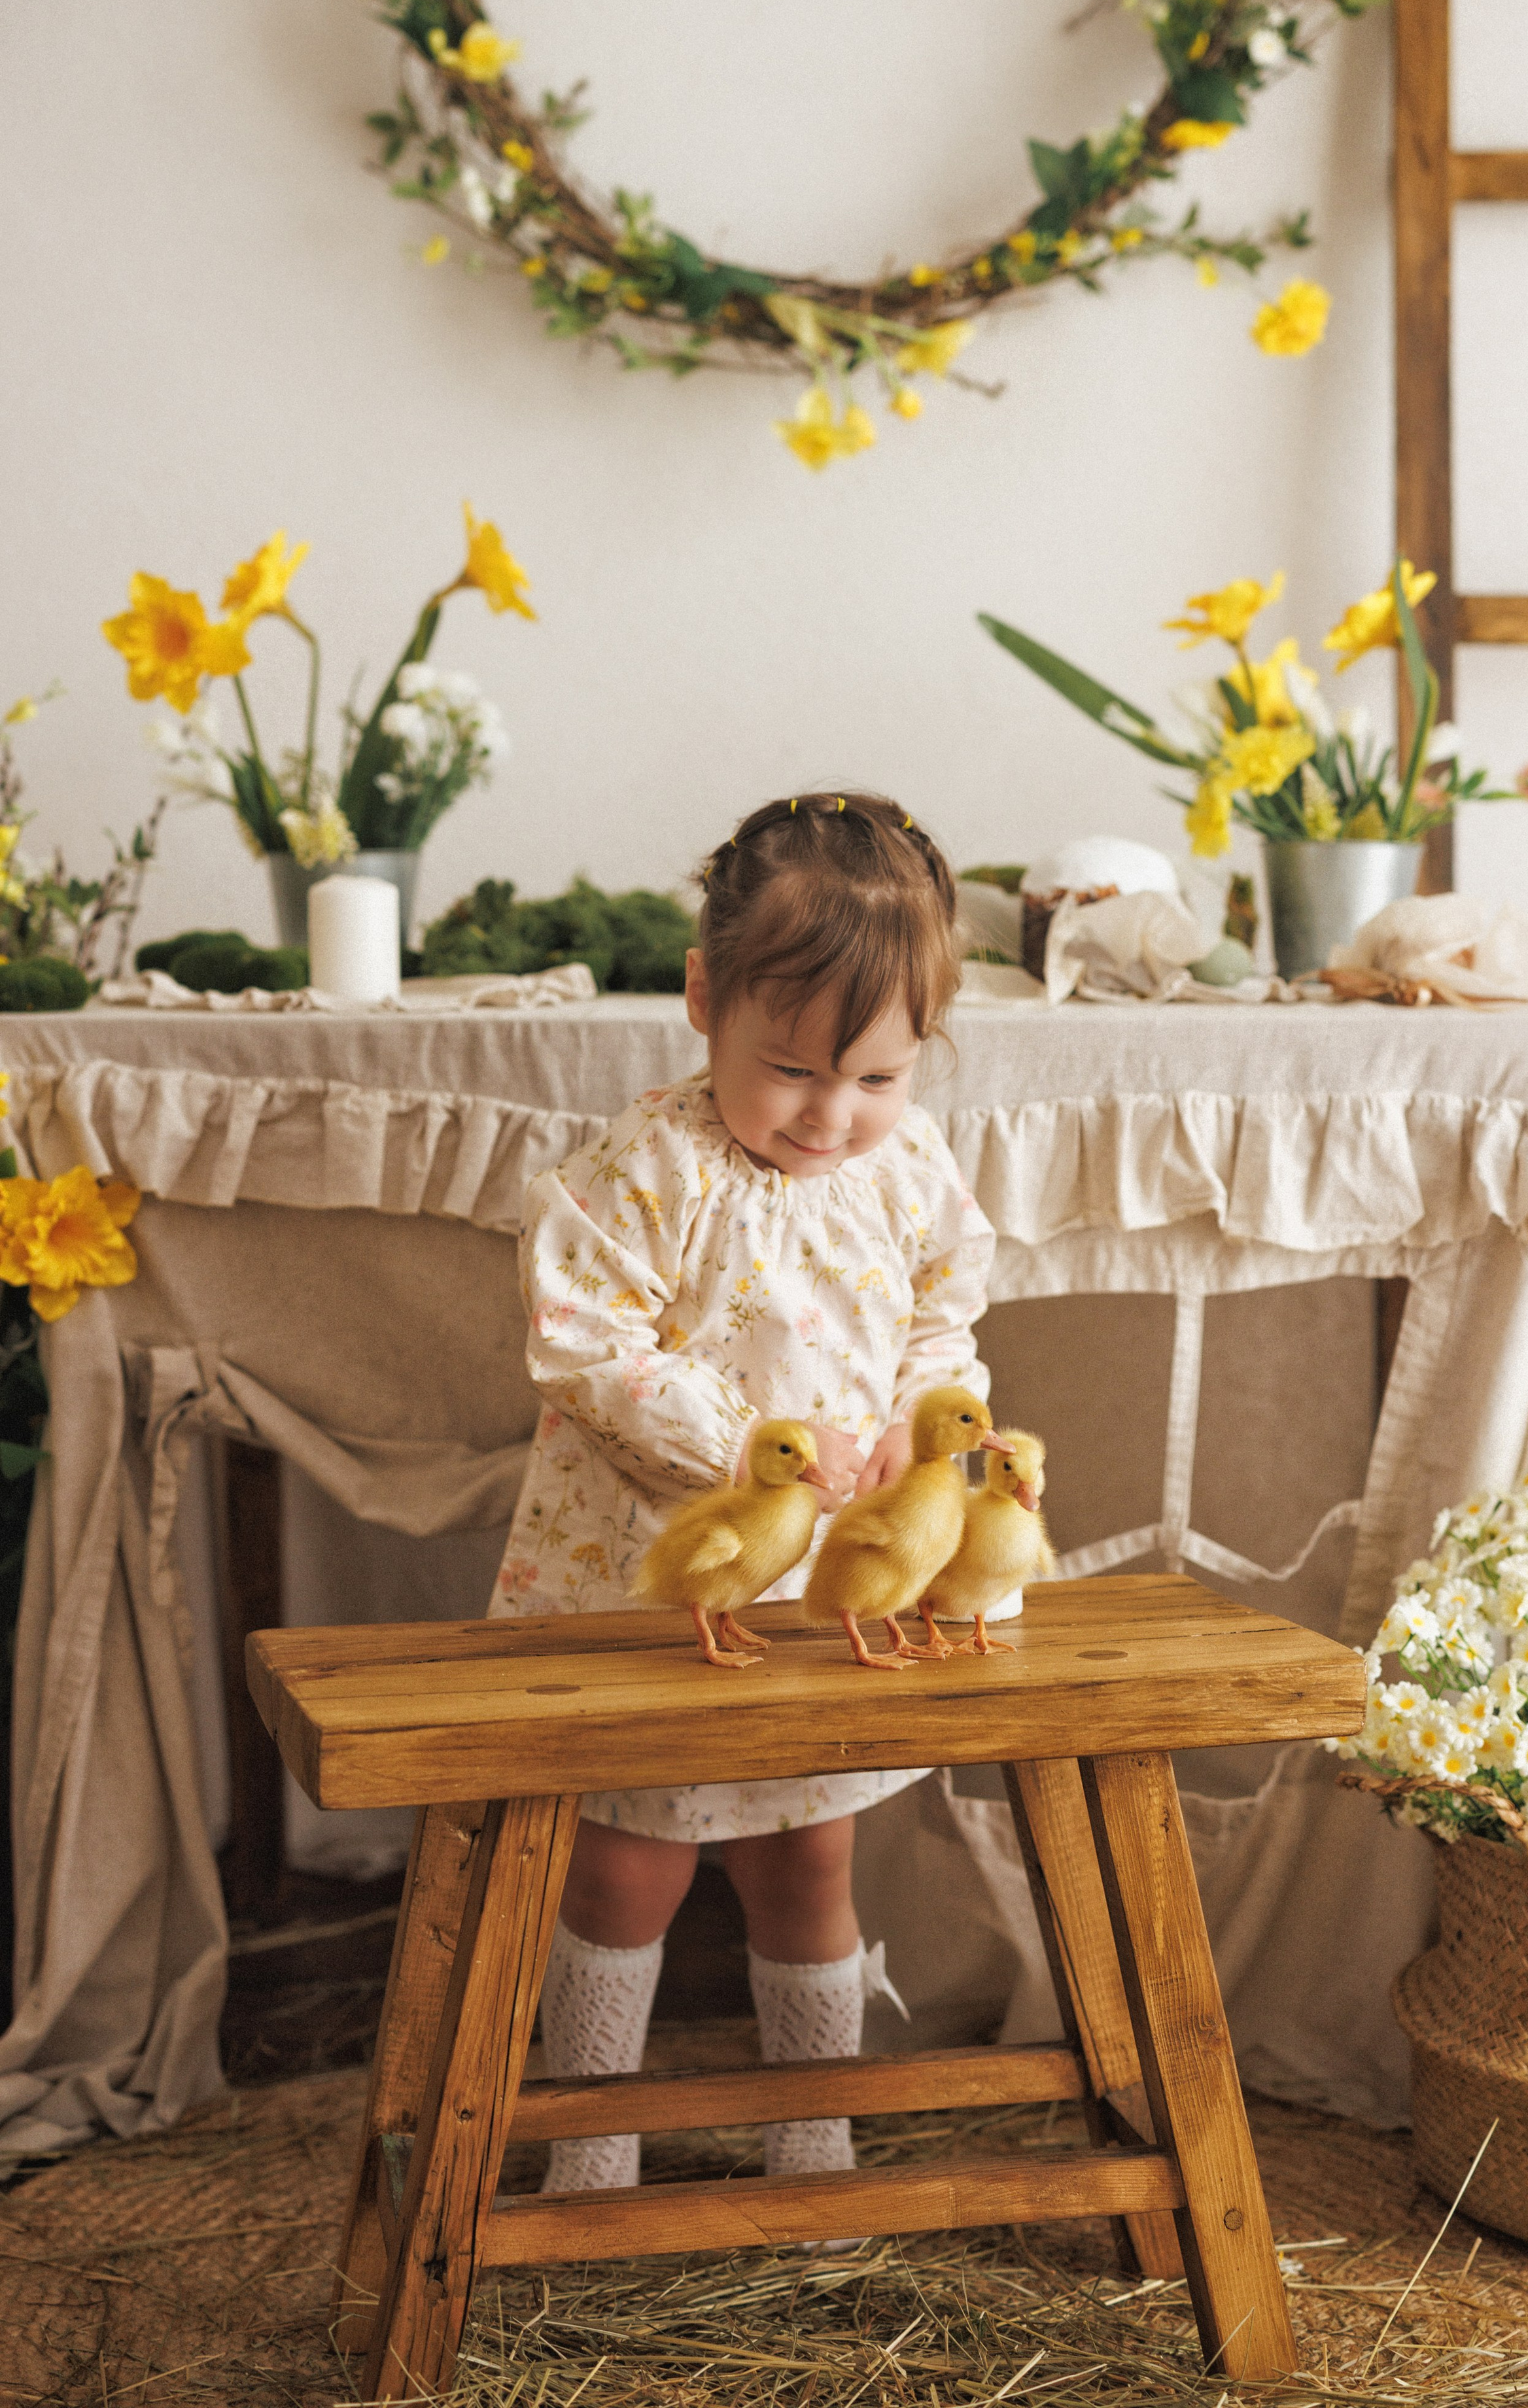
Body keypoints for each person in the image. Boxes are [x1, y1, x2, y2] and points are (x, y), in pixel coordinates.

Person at [491, 790, 995, 2192]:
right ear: (705, 999)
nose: (833, 1119)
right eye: (791, 1072)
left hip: (821, 1592)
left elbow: (940, 1323)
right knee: (620, 1870)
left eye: (878, 1080)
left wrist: (914, 1423)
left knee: (806, 1864)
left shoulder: (907, 1173)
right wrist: (738, 1433)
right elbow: (586, 1338)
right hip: (652, 1574)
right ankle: (588, 2148)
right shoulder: (645, 1169)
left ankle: (811, 2140)